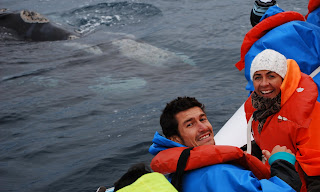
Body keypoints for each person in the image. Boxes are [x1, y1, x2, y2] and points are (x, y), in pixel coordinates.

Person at [149, 96, 302, 192]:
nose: (203, 128)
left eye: (202, 119)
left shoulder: (174, 174)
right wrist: (282, 163)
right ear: (175, 139)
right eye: (190, 124)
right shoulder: (219, 173)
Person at [244, 49, 320, 191]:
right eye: (258, 77)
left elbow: (317, 171)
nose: (264, 83)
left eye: (271, 76)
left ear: (284, 78)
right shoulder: (258, 108)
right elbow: (271, 135)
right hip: (276, 182)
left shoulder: (308, 114)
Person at [236, 0, 320, 102]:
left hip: (303, 105)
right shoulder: (306, 27)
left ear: (254, 22)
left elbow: (257, 92)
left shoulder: (255, 52)